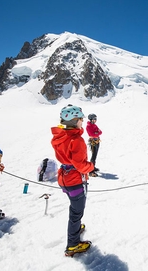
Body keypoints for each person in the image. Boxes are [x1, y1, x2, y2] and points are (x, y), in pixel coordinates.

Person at [51, 104, 94, 257]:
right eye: (81, 119)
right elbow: (81, 165)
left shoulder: (60, 136)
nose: (82, 121)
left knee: (74, 208)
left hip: (64, 177)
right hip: (75, 179)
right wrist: (91, 167)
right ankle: (73, 244)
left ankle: (74, 229)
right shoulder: (76, 140)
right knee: (77, 211)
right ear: (74, 120)